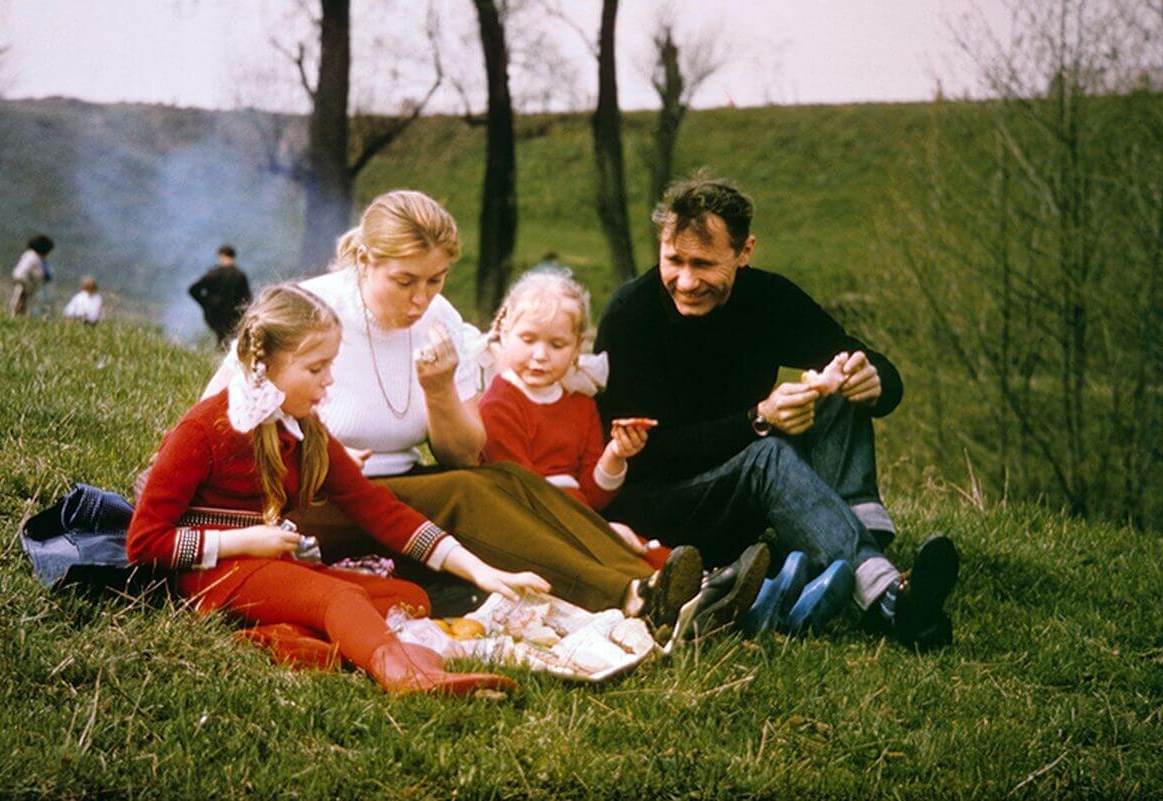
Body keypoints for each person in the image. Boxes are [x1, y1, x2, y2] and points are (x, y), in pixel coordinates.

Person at [202, 190, 705, 640]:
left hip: (393, 494)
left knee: (506, 479)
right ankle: (628, 598)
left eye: (435, 279)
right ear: (364, 262)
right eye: (404, 281)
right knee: (462, 491)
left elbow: (463, 453)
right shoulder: (307, 311)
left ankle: (658, 577)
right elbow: (214, 426)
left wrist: (439, 390)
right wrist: (311, 456)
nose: (421, 298)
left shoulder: (438, 317)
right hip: (307, 504)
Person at [594, 175, 959, 649]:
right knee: (767, 458)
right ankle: (889, 599)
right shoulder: (631, 315)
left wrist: (874, 381)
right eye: (674, 261)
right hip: (663, 510)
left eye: (704, 264)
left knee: (834, 382)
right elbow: (646, 457)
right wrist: (758, 420)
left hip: (739, 483)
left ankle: (853, 542)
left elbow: (856, 356)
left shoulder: (768, 297)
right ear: (660, 248)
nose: (686, 281)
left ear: (745, 252)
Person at [129, 283, 546, 694]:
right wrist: (244, 541)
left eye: (331, 365)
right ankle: (408, 677)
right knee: (340, 598)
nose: (329, 381)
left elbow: (378, 509)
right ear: (267, 365)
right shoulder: (204, 429)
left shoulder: (303, 428)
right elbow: (144, 543)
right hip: (207, 576)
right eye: (316, 368)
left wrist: (480, 569)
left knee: (408, 597)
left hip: (266, 567)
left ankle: (284, 638)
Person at [478, 267, 671, 571]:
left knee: (642, 550)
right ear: (505, 333)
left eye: (557, 345)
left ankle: (704, 585)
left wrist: (615, 454)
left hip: (579, 518)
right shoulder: (499, 403)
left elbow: (593, 495)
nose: (540, 355)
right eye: (528, 339)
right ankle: (669, 590)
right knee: (625, 556)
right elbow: (522, 492)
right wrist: (598, 530)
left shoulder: (580, 405)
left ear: (577, 346)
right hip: (532, 528)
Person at [188, 244, 252, 348]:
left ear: (220, 256)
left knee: (220, 337)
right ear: (234, 256)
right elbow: (247, 297)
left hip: (214, 312)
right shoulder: (239, 275)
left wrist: (205, 303)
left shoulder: (213, 274)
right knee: (231, 339)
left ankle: (219, 356)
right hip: (234, 313)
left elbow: (193, 290)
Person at [10, 235, 55, 316]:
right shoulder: (32, 257)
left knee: (22, 306)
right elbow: (21, 273)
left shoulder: (30, 256)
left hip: (27, 285)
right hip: (24, 284)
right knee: (19, 305)